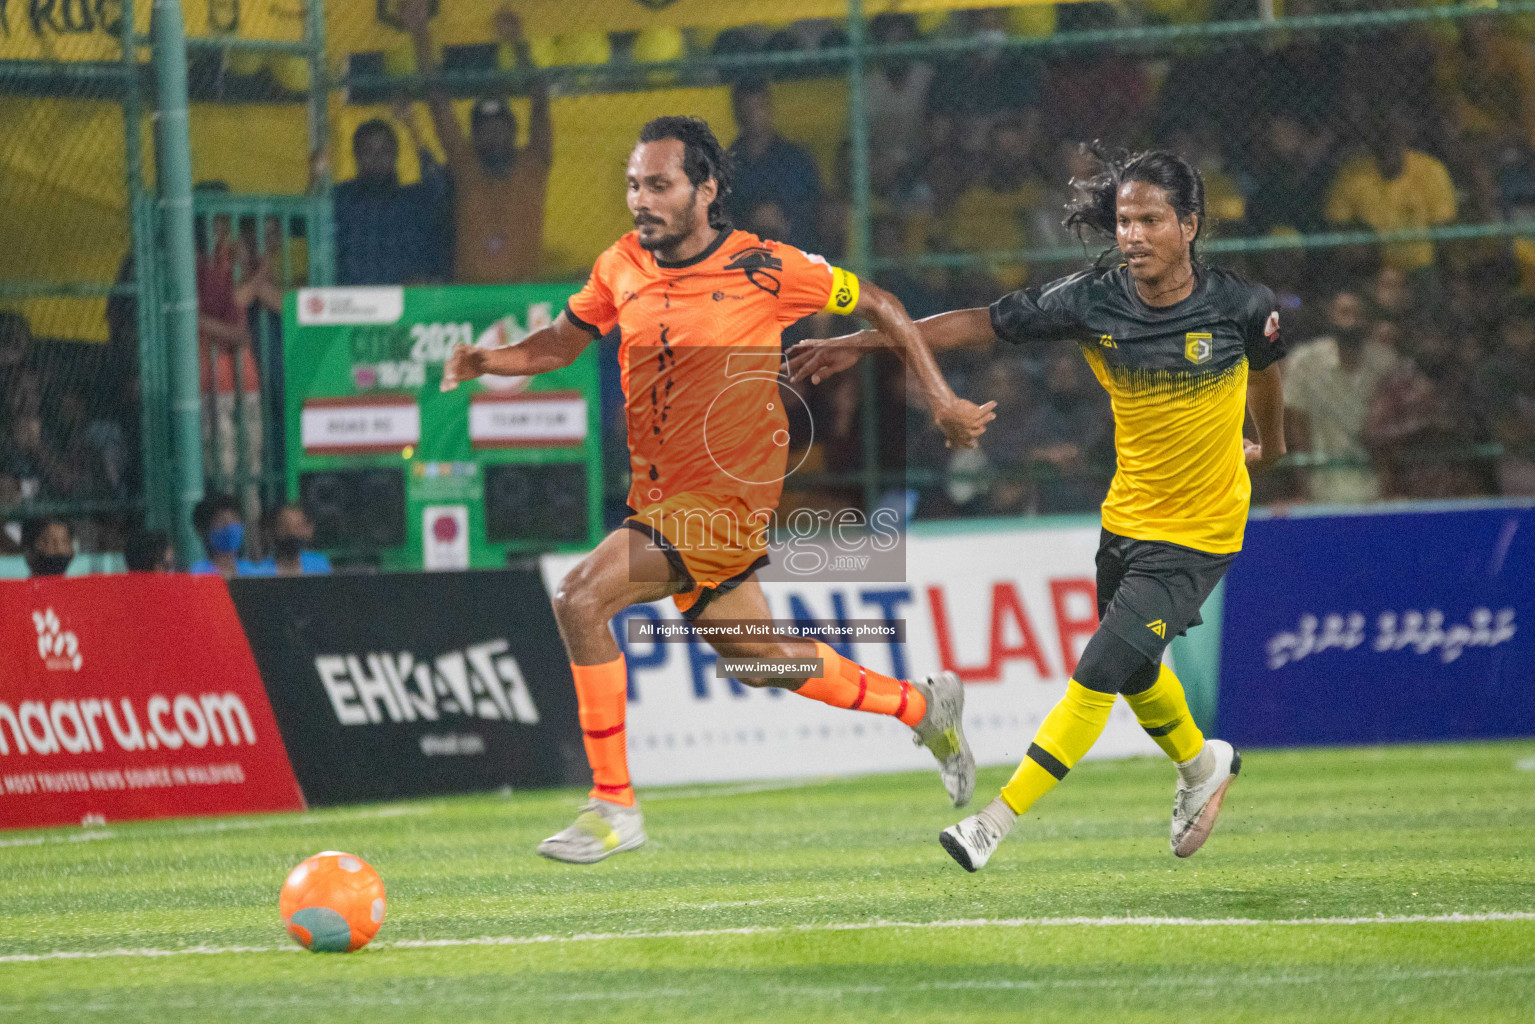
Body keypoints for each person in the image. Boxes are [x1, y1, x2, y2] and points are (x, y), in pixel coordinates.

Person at [441, 115, 996, 864]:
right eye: (634, 184)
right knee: (761, 659)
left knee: (580, 597)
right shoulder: (620, 265)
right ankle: (923, 706)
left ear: (705, 190)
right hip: (662, 498)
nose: (642, 199)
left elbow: (881, 305)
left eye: (660, 185)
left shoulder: (765, 268)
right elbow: (561, 343)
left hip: (724, 501)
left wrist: (939, 400)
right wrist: (491, 361)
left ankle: (613, 806)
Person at [790, 146, 1287, 872]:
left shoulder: (1243, 306)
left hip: (1201, 532)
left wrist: (1266, 448)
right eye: (1122, 220)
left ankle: (994, 820)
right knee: (1138, 668)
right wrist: (863, 344)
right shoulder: (1092, 300)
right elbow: (973, 323)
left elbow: (1267, 378)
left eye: (1149, 219)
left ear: (1189, 224)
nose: (1131, 235)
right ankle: (1199, 764)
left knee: (1098, 670)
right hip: (1125, 521)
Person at [403, 1, 552, 284]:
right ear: (475, 137)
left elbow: (540, 100)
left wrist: (517, 42)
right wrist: (419, 29)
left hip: (523, 295)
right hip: (469, 296)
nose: (494, 135)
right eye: (485, 130)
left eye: (500, 128)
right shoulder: (466, 166)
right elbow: (438, 102)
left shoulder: (534, 162)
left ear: (513, 131)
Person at [1324, 110, 1457, 276]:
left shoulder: (1431, 170)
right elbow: (1337, 223)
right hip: (1370, 267)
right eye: (1382, 138)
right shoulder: (1352, 173)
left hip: (1417, 267)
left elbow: (1444, 226)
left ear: (1405, 139)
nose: (1388, 145)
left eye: (1395, 137)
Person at [332, 104, 449, 286]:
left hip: (405, 301)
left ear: (395, 155)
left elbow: (439, 185)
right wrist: (316, 178)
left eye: (384, 151)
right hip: (352, 302)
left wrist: (412, 128)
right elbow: (308, 221)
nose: (377, 159)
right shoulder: (342, 198)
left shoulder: (412, 200)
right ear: (356, 155)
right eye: (368, 151)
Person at [725, 79, 824, 253]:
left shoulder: (796, 158)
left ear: (769, 108)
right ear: (736, 113)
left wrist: (784, 220)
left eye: (758, 107)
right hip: (744, 256)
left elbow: (815, 204)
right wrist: (753, 222)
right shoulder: (726, 166)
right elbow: (721, 218)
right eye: (746, 110)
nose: (753, 116)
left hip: (798, 249)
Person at [247, 503, 333, 576]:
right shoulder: (258, 572)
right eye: (285, 527)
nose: (291, 533)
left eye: (297, 527)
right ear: (274, 530)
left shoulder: (319, 565)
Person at [189, 493, 258, 578]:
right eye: (221, 521)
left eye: (234, 519)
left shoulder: (253, 572)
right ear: (205, 530)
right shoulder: (197, 574)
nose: (230, 526)